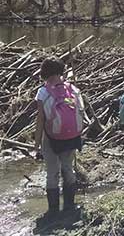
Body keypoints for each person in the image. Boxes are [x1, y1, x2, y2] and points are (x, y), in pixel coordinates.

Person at [34, 57, 83, 225]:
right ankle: (69, 205)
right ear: (61, 71)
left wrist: (36, 143)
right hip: (71, 137)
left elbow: (40, 120)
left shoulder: (43, 92)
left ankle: (53, 210)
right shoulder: (74, 90)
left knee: (52, 172)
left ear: (44, 73)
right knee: (68, 168)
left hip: (51, 138)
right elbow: (80, 112)